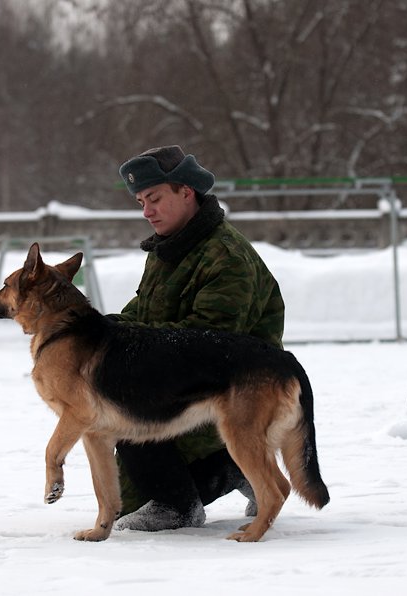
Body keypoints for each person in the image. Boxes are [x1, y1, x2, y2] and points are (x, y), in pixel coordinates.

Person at [109, 145, 286, 532]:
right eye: (141, 202)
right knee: (128, 503)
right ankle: (237, 469)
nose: (146, 211)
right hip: (188, 386)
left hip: (233, 396)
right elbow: (144, 311)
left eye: (154, 198)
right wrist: (96, 334)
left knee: (129, 414)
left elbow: (208, 342)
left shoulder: (226, 257)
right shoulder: (169, 248)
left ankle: (184, 502)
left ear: (186, 191)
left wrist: (132, 350)